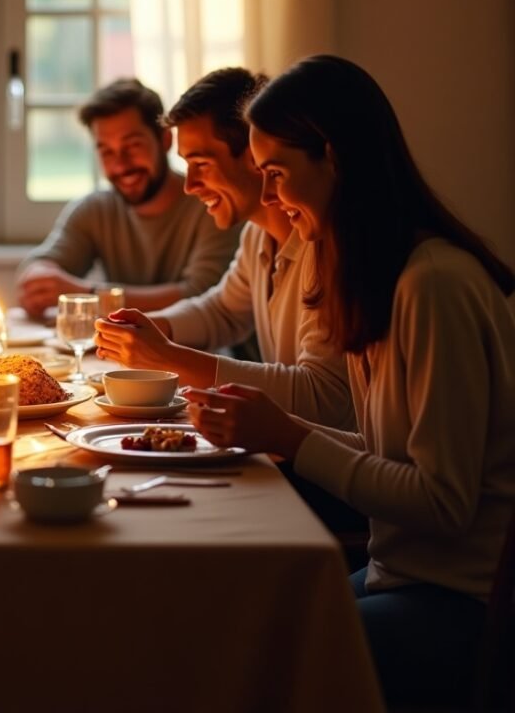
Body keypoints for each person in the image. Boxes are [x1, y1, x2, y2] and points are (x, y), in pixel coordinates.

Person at [182, 55, 515, 706]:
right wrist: (275, 429)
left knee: (251, 664)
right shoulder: (373, 275)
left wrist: (291, 437)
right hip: (399, 573)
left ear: (333, 158)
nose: (267, 197)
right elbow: (386, 450)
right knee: (235, 622)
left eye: (276, 173)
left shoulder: (433, 285)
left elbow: (443, 503)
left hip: (460, 600)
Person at [94, 67, 352, 429]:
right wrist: (154, 328)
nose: (190, 185)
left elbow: (325, 398)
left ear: (254, 154)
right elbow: (223, 311)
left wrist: (167, 357)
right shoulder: (258, 235)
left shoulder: (326, 246)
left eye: (201, 164)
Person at [17, 78, 241, 318]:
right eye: (107, 152)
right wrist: (39, 279)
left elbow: (201, 297)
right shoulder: (95, 210)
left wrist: (88, 294)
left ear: (165, 140)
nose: (121, 165)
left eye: (133, 145)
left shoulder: (213, 204)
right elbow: (37, 265)